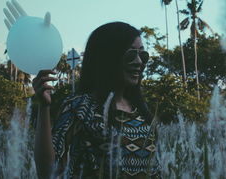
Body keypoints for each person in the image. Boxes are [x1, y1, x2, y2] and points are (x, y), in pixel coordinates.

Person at [33, 22, 160, 179]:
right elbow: (47, 171)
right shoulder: (80, 106)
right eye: (130, 55)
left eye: (142, 55)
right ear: (108, 58)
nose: (139, 62)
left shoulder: (142, 111)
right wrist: (44, 107)